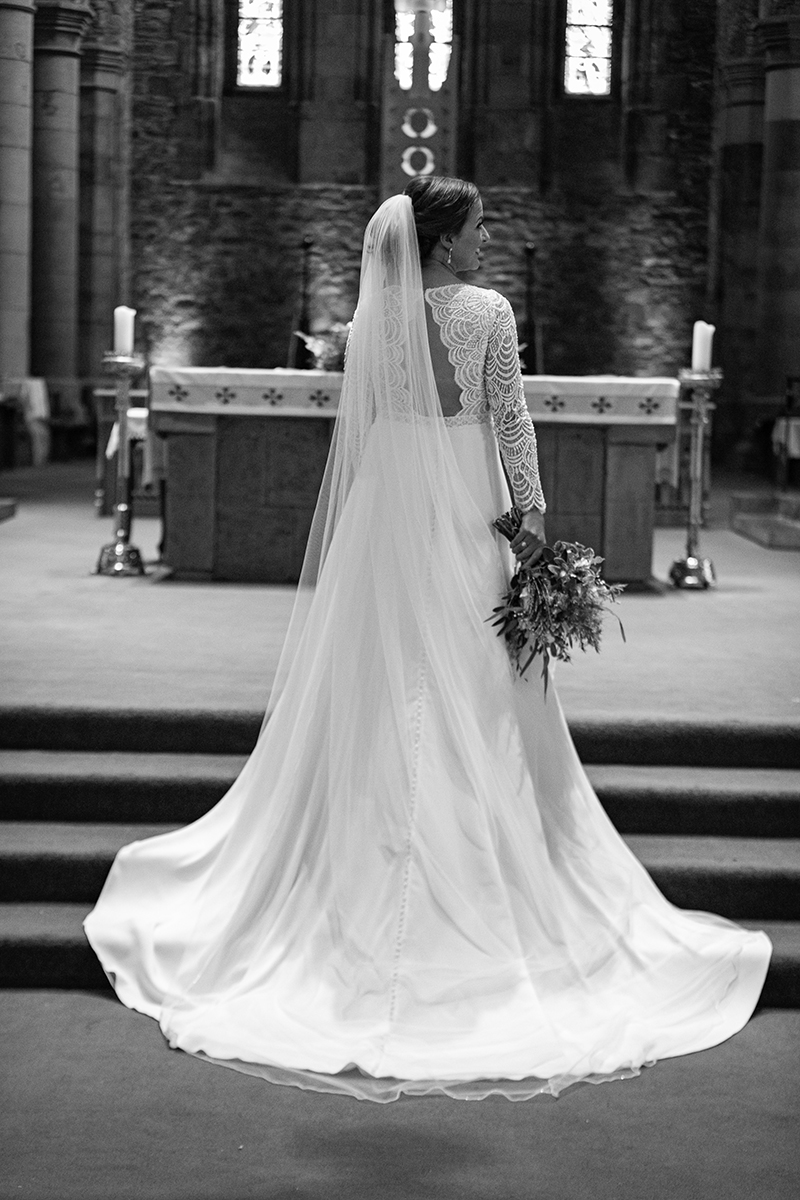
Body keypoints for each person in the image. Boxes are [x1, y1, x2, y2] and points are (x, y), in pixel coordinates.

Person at [85, 179, 770, 1103]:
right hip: (462, 509)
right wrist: (529, 509)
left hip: (390, 515)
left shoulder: (373, 323)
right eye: (480, 227)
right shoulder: (487, 310)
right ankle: (485, 892)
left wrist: (371, 529)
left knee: (384, 680)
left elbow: (360, 439)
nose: (490, 240)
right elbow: (509, 417)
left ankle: (359, 884)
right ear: (445, 242)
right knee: (475, 679)